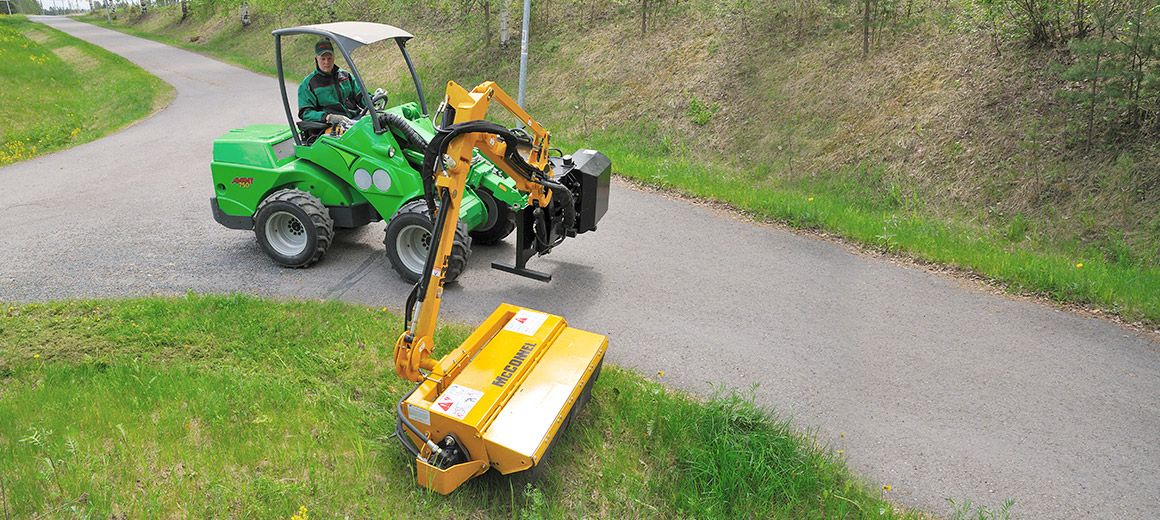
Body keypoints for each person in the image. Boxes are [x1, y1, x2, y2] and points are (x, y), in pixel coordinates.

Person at [298, 39, 365, 127]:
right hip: (331, 127)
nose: (326, 62)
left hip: (354, 120)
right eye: (323, 59)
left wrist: (373, 100)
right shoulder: (308, 84)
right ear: (316, 59)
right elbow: (305, 113)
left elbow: (361, 97)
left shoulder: (345, 76)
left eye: (329, 58)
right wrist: (328, 117)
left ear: (334, 57)